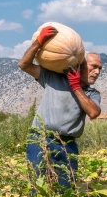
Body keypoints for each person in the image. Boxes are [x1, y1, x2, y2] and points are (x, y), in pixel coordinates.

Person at [17, 26, 102, 188]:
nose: (97, 72)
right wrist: (38, 43)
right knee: (39, 188)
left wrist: (76, 86)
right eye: (94, 67)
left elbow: (93, 112)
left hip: (67, 145)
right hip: (40, 140)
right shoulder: (54, 77)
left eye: (100, 68)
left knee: (66, 191)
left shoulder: (92, 94)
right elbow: (24, 65)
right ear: (80, 65)